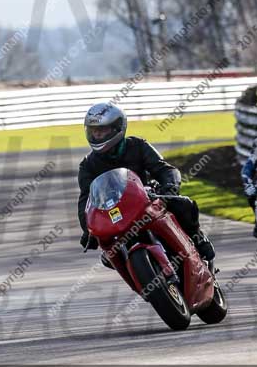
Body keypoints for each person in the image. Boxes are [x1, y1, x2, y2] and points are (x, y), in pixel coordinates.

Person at [77, 102, 215, 263]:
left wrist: (169, 187)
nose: (97, 136)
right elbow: (85, 200)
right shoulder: (88, 164)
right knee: (108, 255)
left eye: (102, 130)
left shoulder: (137, 146)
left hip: (146, 200)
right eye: (93, 131)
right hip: (114, 214)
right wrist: (88, 229)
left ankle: (198, 238)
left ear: (117, 128)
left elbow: (165, 170)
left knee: (183, 204)